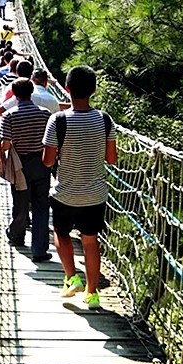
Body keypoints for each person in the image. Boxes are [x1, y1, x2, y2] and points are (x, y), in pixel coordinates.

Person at [42, 65, 117, 310]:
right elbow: (111, 158)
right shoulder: (105, 120)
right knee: (90, 241)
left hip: (65, 193)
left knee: (61, 234)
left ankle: (71, 277)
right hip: (95, 194)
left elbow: (49, 161)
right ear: (93, 90)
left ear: (67, 89)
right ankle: (92, 294)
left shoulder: (58, 120)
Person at [0, 78, 53, 262]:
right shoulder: (45, 114)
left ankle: (17, 235)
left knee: (20, 202)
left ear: (14, 94)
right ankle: (39, 250)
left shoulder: (9, 115)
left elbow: (5, 145)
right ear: (32, 92)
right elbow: (51, 141)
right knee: (41, 206)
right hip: (42, 164)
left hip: (20, 166)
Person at [0, 69, 69, 116]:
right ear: (46, 82)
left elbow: (0, 110)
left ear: (32, 80)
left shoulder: (25, 93)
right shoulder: (53, 100)